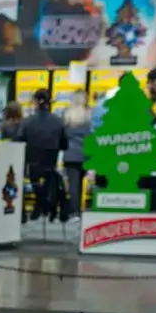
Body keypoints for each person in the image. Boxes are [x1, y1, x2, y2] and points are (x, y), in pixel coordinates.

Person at [15, 89, 67, 180]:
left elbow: (18, 143)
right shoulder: (58, 122)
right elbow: (64, 145)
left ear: (35, 102)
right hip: (51, 167)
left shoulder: (27, 122)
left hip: (31, 168)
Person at [62, 92, 92, 220]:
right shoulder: (88, 116)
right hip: (85, 154)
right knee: (80, 183)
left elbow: (63, 136)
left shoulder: (68, 116)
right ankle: (80, 208)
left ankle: (75, 211)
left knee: (73, 184)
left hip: (70, 154)